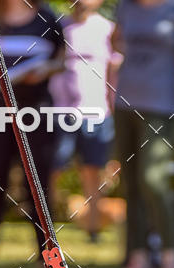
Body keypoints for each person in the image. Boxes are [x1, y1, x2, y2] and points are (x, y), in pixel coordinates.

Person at [112, 0, 174, 268]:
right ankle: (137, 262)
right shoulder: (126, 6)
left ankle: (171, 261)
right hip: (125, 103)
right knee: (131, 184)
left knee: (153, 179)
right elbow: (118, 43)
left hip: (163, 108)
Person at [0, 0, 64, 266]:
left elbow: (62, 59)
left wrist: (45, 69)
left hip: (36, 111)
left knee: (37, 182)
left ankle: (47, 257)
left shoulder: (47, 18)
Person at [49, 0, 121, 243]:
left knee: (93, 171)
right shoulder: (59, 27)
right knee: (53, 168)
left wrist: (114, 106)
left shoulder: (108, 29)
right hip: (61, 112)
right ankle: (46, 228)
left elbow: (113, 72)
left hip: (97, 112)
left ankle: (93, 229)